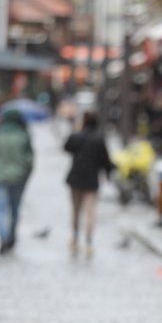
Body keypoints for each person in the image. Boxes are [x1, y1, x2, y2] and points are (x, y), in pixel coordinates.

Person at [63, 110, 114, 258]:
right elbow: (105, 160)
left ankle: (75, 237)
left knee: (76, 210)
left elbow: (66, 146)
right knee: (90, 212)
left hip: (75, 179)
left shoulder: (77, 136)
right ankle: (89, 243)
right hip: (92, 180)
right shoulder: (99, 139)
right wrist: (109, 172)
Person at [0, 109, 34, 255]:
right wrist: (25, 174)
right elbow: (29, 159)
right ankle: (11, 237)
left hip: (0, 178)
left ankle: (3, 238)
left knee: (1, 210)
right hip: (18, 178)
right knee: (14, 210)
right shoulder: (24, 135)